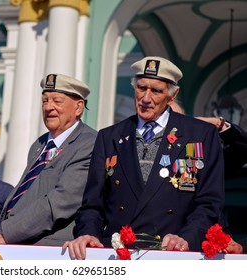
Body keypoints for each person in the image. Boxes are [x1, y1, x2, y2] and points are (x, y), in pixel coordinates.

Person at [63, 56, 225, 259]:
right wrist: (88, 234)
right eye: (141, 88)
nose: (146, 98)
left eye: (156, 91)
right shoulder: (110, 136)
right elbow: (92, 205)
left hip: (172, 255)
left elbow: (209, 203)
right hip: (116, 255)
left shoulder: (199, 134)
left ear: (172, 95)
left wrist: (186, 239)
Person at [0, 73, 97, 245]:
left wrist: (7, 234)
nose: (49, 107)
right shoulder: (39, 144)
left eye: (57, 101)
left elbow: (61, 201)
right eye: (45, 101)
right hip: (20, 240)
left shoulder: (89, 143)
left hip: (51, 249)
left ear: (78, 108)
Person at [171, 101, 247, 254]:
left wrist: (218, 125)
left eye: (177, 119)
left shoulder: (199, 153)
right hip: (161, 244)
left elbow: (243, 149)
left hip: (204, 246)